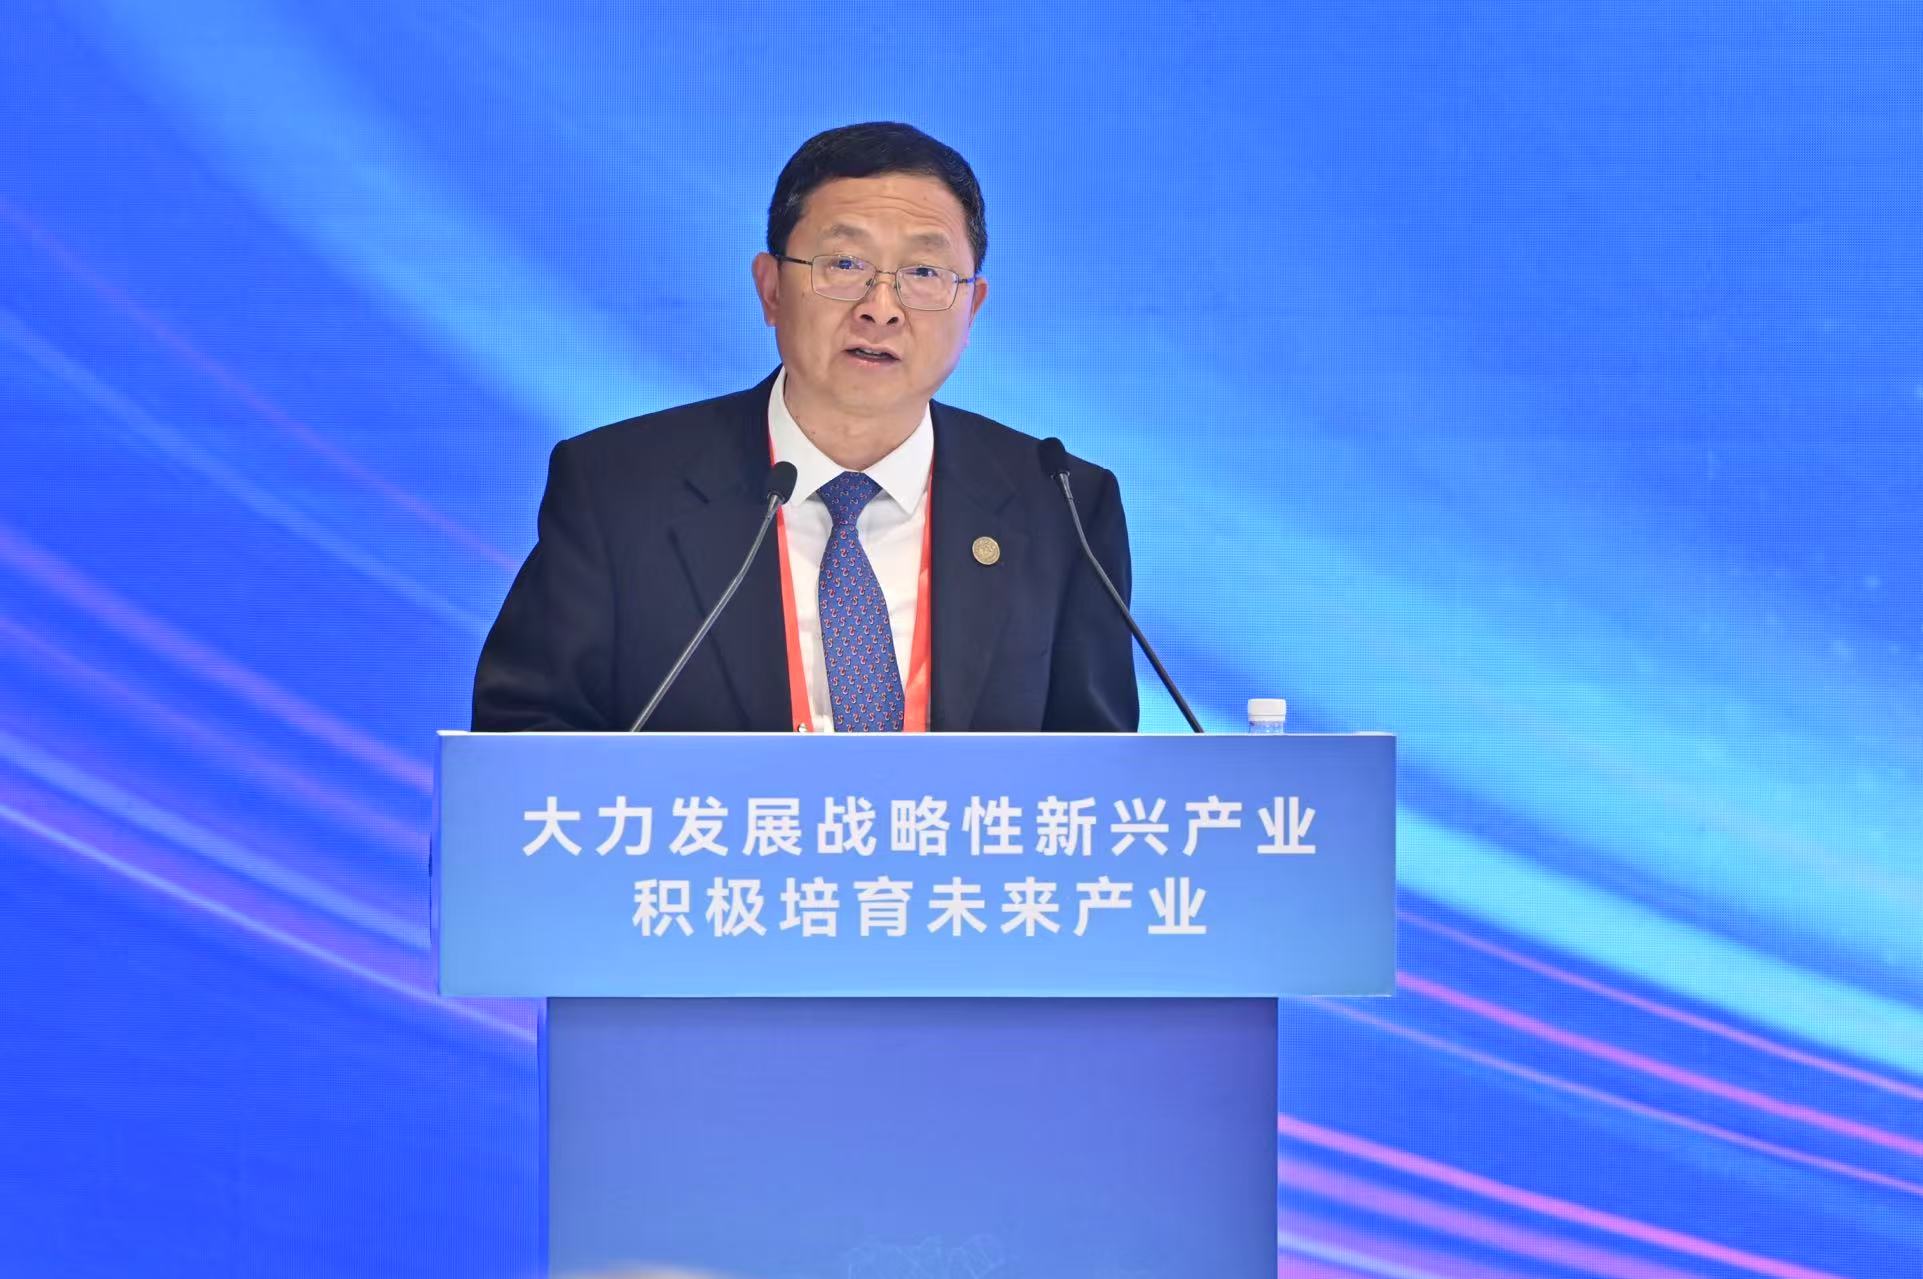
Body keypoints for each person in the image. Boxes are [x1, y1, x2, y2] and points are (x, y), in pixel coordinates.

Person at [472, 122, 1138, 733]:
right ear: (770, 289)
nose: (881, 308)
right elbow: (523, 738)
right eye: (844, 265)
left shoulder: (1063, 507)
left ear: (972, 308)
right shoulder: (618, 489)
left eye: (924, 273)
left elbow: (1103, 778)